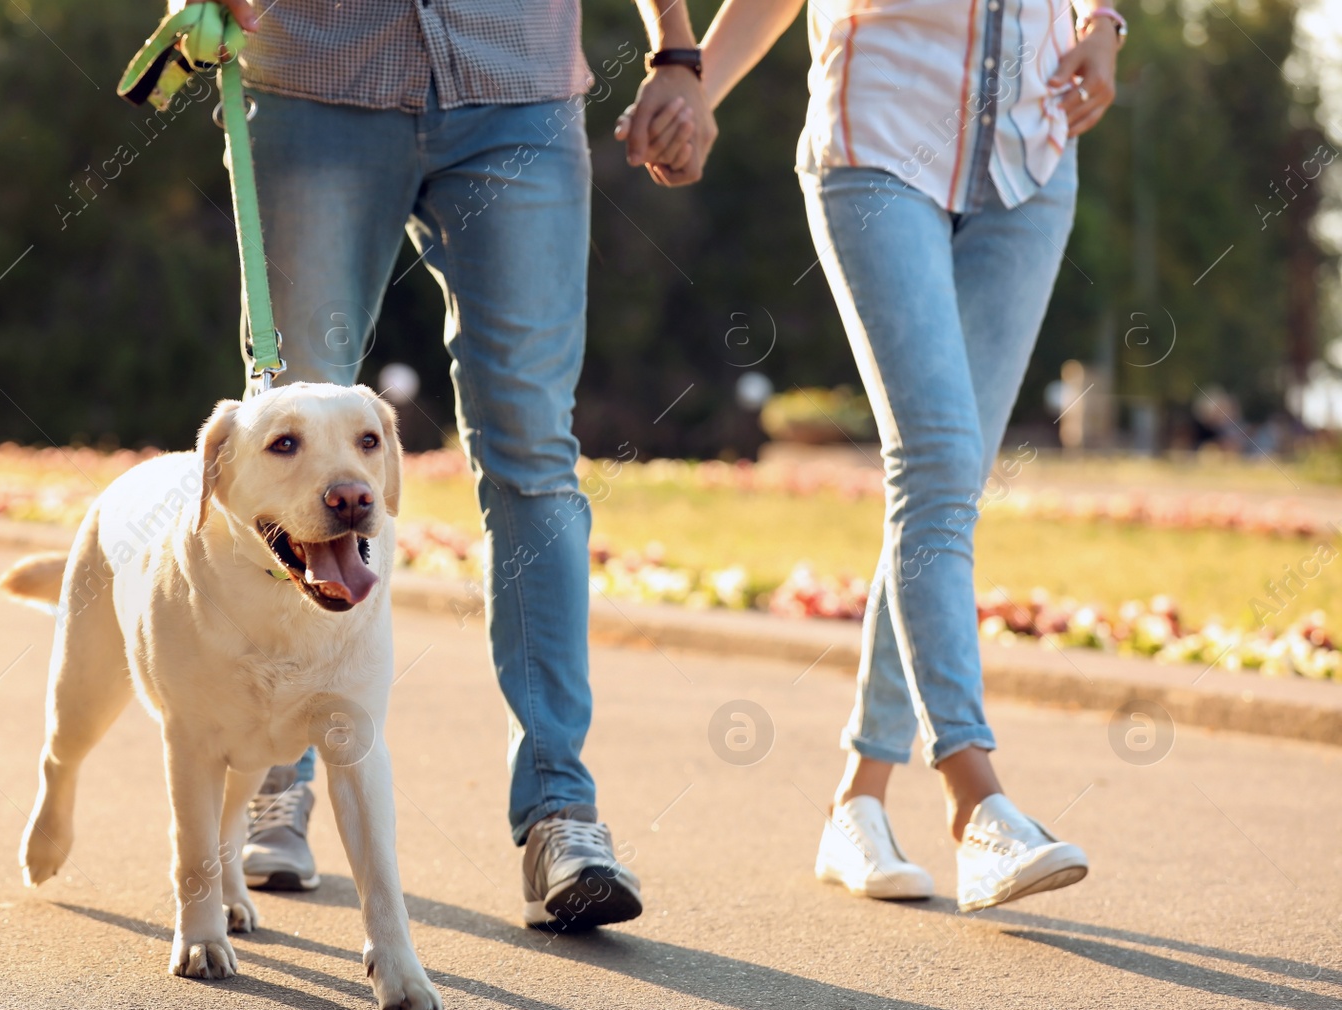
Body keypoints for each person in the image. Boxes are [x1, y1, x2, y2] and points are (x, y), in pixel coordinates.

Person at [194, 0, 715, 930]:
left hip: (516, 84)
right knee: (291, 440)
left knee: (533, 452)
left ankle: (561, 810)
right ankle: (277, 772)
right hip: (316, 73)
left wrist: (677, 49)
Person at [624, 0, 1123, 910]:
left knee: (950, 486)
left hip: (1034, 153)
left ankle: (856, 799)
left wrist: (1103, 26)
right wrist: (693, 82)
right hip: (881, 141)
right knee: (934, 460)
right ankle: (977, 801)